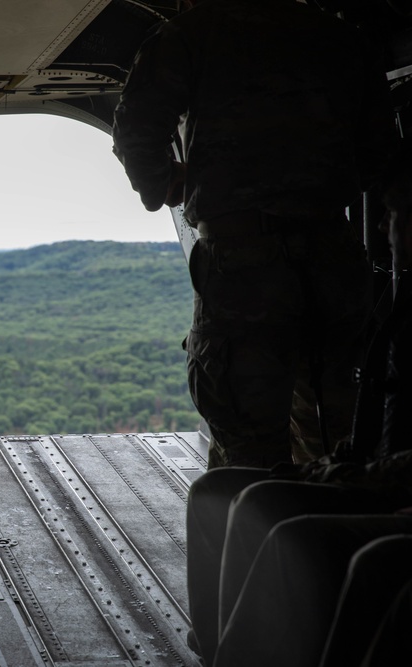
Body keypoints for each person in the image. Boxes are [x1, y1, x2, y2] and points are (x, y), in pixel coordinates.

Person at [112, 0, 398, 469]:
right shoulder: (343, 37)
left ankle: (255, 529)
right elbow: (380, 152)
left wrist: (161, 184)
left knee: (246, 442)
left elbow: (138, 125)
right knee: (332, 437)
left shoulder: (191, 33)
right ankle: (317, 527)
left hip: (244, 262)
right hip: (332, 256)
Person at [183, 142, 412, 666]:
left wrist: (331, 478)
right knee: (215, 488)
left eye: (397, 216)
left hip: (393, 486)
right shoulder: (397, 312)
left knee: (278, 516)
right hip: (383, 477)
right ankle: (220, 650)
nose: (382, 229)